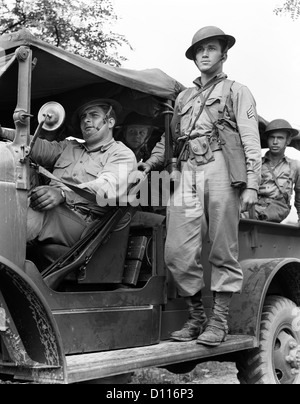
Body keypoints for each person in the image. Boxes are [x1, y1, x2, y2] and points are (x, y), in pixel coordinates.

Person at [140, 26, 262, 347]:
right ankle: (196, 318)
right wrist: (151, 164)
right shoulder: (184, 97)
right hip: (187, 169)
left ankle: (218, 321)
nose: (204, 54)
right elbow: (171, 139)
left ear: (224, 54)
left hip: (221, 165)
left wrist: (252, 184)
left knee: (223, 246)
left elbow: (250, 138)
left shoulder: (237, 90)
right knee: (177, 250)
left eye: (211, 48)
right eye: (199, 50)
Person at [0, 98, 137, 247]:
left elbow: (108, 187)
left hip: (86, 225)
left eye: (94, 115)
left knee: (34, 210)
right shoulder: (70, 146)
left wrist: (64, 194)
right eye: (83, 117)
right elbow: (40, 147)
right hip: (54, 210)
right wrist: (4, 132)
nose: (86, 120)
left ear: (110, 122)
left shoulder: (122, 154)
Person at [246, 119, 300, 224]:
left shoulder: (294, 166)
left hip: (278, 206)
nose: (275, 142)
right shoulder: (257, 163)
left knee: (258, 216)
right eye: (272, 137)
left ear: (288, 141)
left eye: (280, 138)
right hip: (254, 205)